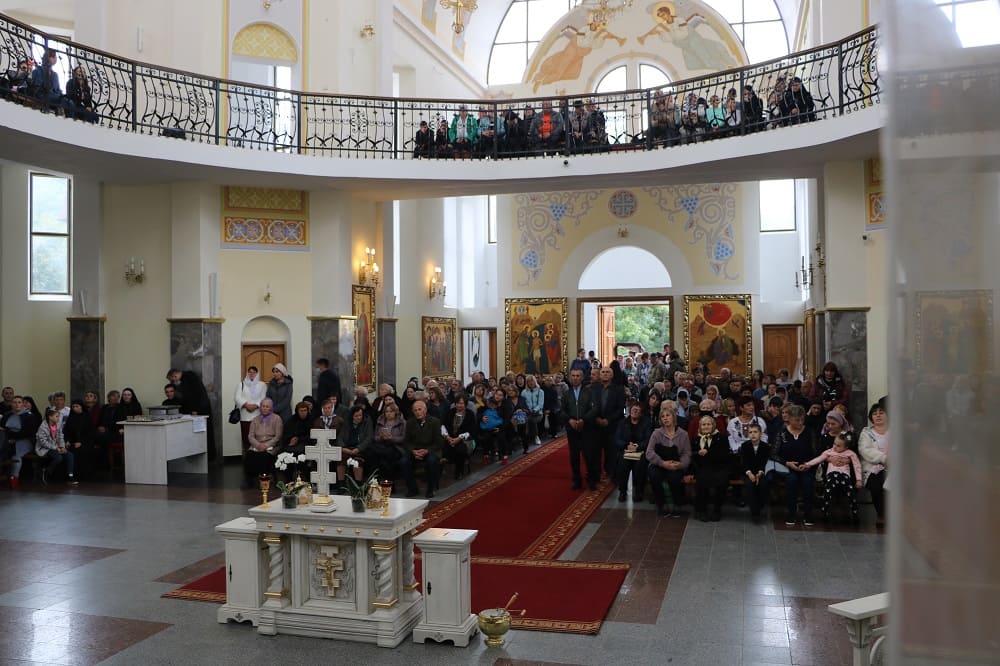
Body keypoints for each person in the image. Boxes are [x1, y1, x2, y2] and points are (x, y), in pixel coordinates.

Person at [803, 432, 863, 525]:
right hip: (832, 474)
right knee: (828, 490)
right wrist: (807, 464)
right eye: (834, 443)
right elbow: (819, 459)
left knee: (851, 492)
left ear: (846, 447)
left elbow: (857, 466)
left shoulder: (850, 454)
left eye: (838, 446)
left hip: (844, 475)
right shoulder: (829, 452)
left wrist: (859, 480)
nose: (835, 447)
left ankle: (855, 513)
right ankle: (824, 512)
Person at [773, 404, 818, 526]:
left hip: (806, 466)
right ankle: (791, 513)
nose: (800, 422)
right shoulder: (782, 432)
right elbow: (774, 454)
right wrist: (786, 463)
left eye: (802, 419)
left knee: (808, 482)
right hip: (787, 466)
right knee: (791, 480)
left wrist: (808, 464)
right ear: (789, 418)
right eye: (797, 420)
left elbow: (815, 452)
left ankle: (808, 514)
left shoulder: (809, 432)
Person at [646, 403, 691, 517]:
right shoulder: (656, 433)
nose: (665, 418)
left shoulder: (683, 434)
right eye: (663, 416)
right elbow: (649, 452)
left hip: (676, 464)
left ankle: (677, 504)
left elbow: (686, 453)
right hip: (659, 463)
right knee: (655, 476)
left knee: (674, 478)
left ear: (673, 417)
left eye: (668, 415)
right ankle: (660, 504)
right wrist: (662, 463)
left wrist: (680, 464)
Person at [562, 368, 598, 490]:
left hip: (586, 428)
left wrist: (584, 420)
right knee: (574, 456)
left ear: (582, 378)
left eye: (578, 376)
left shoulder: (589, 392)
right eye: (573, 376)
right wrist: (569, 420)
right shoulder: (566, 393)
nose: (575, 378)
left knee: (589, 455)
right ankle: (576, 480)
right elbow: (561, 410)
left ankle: (592, 479)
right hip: (572, 429)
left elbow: (594, 409)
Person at [400, 400, 443, 498]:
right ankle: (412, 489)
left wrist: (427, 451)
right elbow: (406, 442)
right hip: (415, 451)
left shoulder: (435, 422)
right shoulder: (410, 422)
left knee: (432, 461)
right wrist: (413, 451)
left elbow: (439, 442)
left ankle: (430, 489)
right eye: (415, 410)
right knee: (404, 462)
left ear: (425, 410)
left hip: (430, 450)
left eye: (419, 409)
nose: (417, 412)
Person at [691, 414, 729, 522]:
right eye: (704, 424)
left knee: (721, 480)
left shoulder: (721, 438)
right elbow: (693, 455)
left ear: (713, 425)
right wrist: (698, 454)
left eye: (708, 424)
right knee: (702, 479)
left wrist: (708, 452)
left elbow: (724, 455)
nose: (706, 426)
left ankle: (717, 510)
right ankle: (702, 510)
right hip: (702, 467)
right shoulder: (696, 439)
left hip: (719, 466)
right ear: (700, 426)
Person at [591, 366, 626, 480]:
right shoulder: (593, 388)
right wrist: (596, 418)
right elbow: (590, 405)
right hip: (596, 425)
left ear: (612, 375)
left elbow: (620, 408)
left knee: (611, 451)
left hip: (612, 425)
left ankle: (610, 472)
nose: (605, 374)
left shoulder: (619, 389)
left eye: (607, 372)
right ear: (600, 375)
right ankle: (596, 473)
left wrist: (608, 420)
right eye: (603, 372)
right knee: (595, 451)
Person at [858, 402, 889, 527]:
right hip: (873, 468)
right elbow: (865, 450)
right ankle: (882, 515)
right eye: (875, 414)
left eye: (881, 413)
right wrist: (884, 458)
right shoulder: (866, 433)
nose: (878, 415)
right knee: (876, 485)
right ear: (871, 417)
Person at [615, 404, 652, 502]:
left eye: (637, 410)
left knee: (640, 465)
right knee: (622, 463)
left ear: (641, 413)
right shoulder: (623, 422)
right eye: (633, 409)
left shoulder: (646, 423)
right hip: (626, 450)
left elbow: (648, 439)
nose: (635, 411)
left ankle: (639, 491)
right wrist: (626, 445)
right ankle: (622, 491)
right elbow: (617, 439)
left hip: (640, 451)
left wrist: (637, 447)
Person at [2, 396, 40, 489]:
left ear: (23, 404)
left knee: (16, 455)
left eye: (19, 402)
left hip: (25, 441)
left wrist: (13, 437)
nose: (17, 404)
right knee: (4, 453)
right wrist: (8, 437)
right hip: (7, 440)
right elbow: (2, 428)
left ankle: (14, 478)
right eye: (14, 402)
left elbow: (28, 432)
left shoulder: (29, 416)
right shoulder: (7, 415)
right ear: (11, 404)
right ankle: (4, 476)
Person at [36, 407, 77, 485]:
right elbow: (43, 442)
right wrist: (56, 448)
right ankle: (46, 471)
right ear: (50, 417)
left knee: (70, 455)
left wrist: (62, 447)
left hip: (56, 447)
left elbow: (61, 437)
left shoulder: (58, 425)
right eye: (56, 416)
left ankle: (70, 475)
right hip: (45, 448)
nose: (58, 418)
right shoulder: (43, 427)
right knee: (59, 458)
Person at [337, 404, 373, 491]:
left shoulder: (367, 422)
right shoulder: (347, 423)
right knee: (340, 459)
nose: (359, 417)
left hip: (360, 448)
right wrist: (343, 448)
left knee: (358, 461)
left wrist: (359, 448)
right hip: (347, 448)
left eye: (360, 415)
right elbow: (340, 437)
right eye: (356, 416)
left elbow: (368, 438)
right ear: (352, 416)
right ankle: (341, 485)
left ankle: (358, 486)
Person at [740, 422, 770, 522]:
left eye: (755, 432)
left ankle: (760, 506)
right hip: (748, 472)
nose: (753, 434)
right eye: (750, 432)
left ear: (760, 433)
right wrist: (749, 473)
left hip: (761, 472)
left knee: (763, 484)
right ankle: (755, 512)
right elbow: (744, 462)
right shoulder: (745, 446)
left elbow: (765, 462)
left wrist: (760, 472)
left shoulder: (766, 447)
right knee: (749, 485)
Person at [442, 394, 475, 479]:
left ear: (465, 404)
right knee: (442, 445)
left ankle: (459, 471)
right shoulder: (450, 412)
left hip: (465, 439)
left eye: (461, 403)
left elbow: (471, 431)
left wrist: (459, 438)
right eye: (457, 403)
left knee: (460, 449)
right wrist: (448, 437)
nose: (459, 405)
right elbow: (443, 426)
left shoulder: (470, 414)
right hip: (449, 438)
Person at [62, 399, 96, 480]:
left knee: (82, 452)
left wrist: (81, 442)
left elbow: (90, 433)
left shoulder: (87, 417)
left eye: (77, 406)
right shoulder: (71, 418)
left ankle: (82, 476)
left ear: (81, 407)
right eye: (73, 407)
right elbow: (66, 431)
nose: (75, 408)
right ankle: (71, 475)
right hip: (72, 442)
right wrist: (67, 441)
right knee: (69, 451)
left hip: (85, 442)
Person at [521, 374, 545, 448]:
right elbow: (522, 403)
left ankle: (536, 436)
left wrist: (535, 410)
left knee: (532, 419)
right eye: (529, 381)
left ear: (535, 381)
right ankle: (525, 437)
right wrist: (527, 410)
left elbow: (540, 404)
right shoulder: (524, 392)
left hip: (538, 413)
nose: (531, 383)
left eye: (532, 381)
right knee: (526, 419)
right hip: (527, 412)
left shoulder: (540, 391)